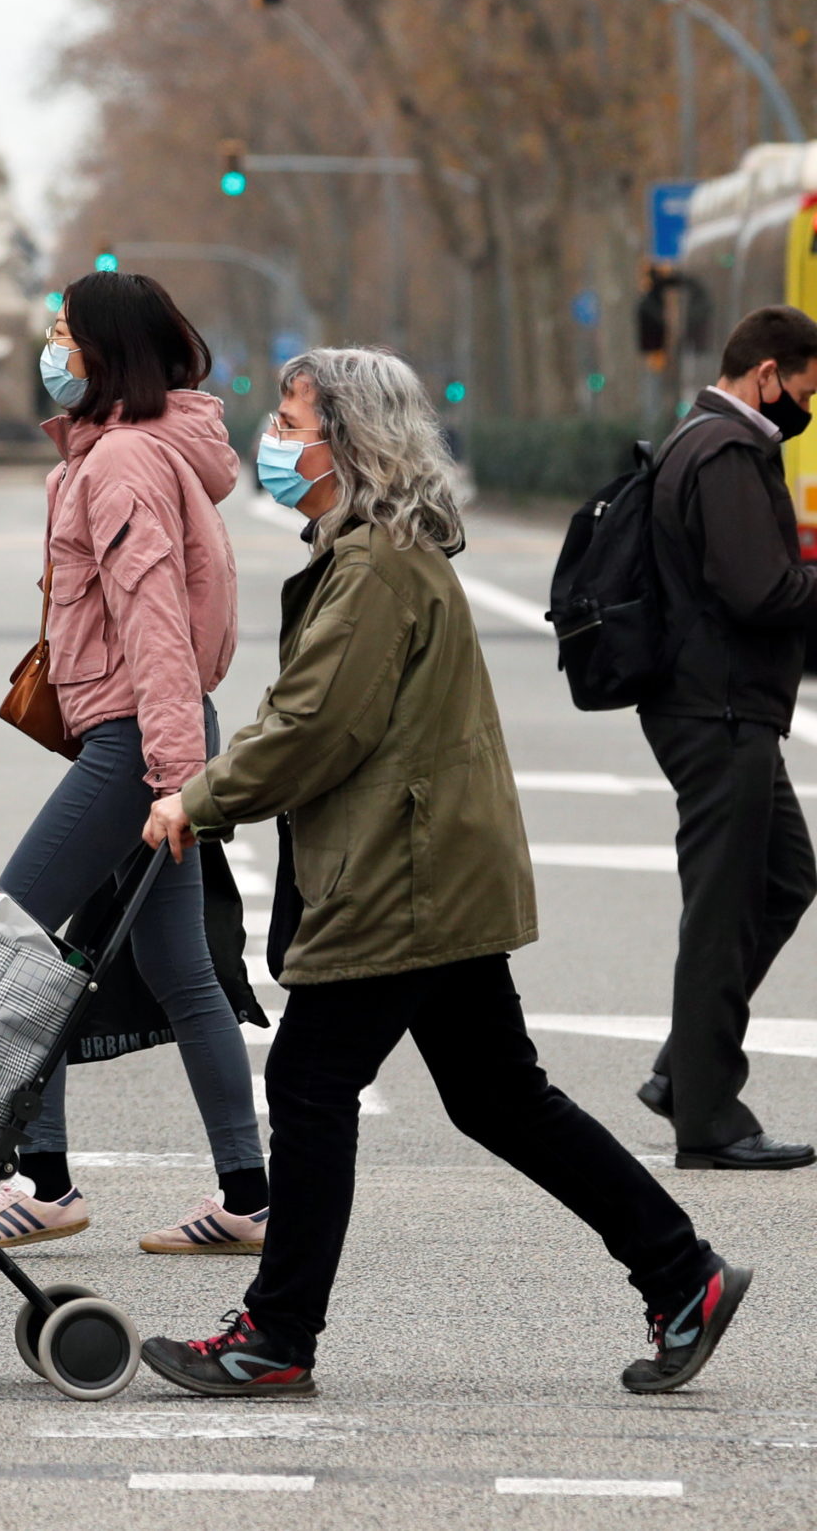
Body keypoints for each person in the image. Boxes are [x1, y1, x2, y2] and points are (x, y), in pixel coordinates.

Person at [141, 346, 748, 1397]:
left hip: (404, 870)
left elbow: (316, 722)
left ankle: (275, 1335)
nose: (274, 438)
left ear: (346, 435)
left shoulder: (375, 563)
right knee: (498, 1096)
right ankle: (680, 1271)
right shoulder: (372, 550)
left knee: (312, 1080)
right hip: (429, 860)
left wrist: (194, 800)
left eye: (291, 419)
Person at [0, 270, 267, 1256]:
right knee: (178, 965)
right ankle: (248, 1195)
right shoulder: (142, 453)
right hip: (157, 731)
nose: (50, 351)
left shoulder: (121, 466)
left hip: (136, 744)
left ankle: (46, 1178)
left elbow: (156, 627)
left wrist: (171, 783)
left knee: (8, 939)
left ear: (101, 354)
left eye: (62, 334)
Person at [631, 305, 817, 1170]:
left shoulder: (693, 438)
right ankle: (709, 1120)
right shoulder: (728, 451)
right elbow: (759, 592)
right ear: (767, 374)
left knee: (784, 875)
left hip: (720, 705)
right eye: (805, 388)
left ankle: (686, 1067)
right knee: (723, 906)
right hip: (721, 709)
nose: (807, 408)